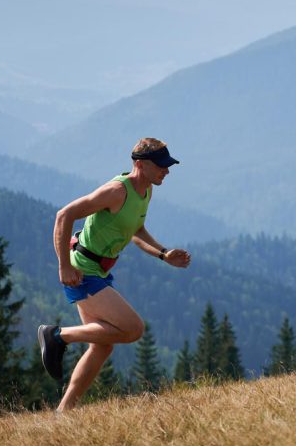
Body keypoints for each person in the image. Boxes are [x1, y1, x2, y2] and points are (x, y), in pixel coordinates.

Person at [38, 137, 191, 412]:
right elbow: (64, 215)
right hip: (83, 269)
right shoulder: (116, 191)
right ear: (140, 165)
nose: (166, 170)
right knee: (133, 329)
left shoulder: (145, 191)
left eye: (168, 165)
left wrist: (163, 253)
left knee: (102, 346)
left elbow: (135, 230)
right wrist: (64, 265)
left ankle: (63, 412)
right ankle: (58, 335)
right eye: (161, 165)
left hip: (98, 269)